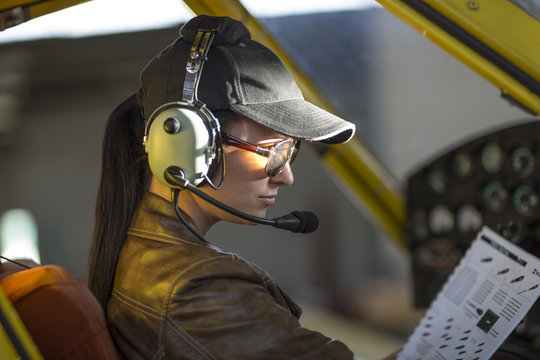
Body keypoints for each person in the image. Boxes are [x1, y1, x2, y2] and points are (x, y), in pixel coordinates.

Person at [88, 14, 360, 359]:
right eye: (273, 151)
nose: (286, 175)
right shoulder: (197, 288)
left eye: (291, 150)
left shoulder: (148, 259)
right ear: (187, 144)